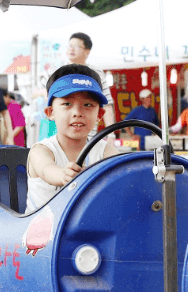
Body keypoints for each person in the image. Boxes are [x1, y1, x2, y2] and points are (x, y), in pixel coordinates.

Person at [26, 65, 119, 213]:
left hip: (87, 229)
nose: (77, 112)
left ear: (99, 115)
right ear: (50, 112)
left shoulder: (105, 150)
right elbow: (45, 169)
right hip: (42, 232)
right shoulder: (42, 150)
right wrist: (63, 174)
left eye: (87, 105)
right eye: (67, 104)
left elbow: (122, 170)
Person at [39, 32, 115, 140]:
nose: (71, 49)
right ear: (50, 111)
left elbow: (107, 104)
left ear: (87, 51)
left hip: (89, 137)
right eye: (70, 46)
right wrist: (46, 93)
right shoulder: (55, 70)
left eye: (77, 46)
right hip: (57, 133)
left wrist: (111, 135)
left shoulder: (96, 72)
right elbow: (35, 92)